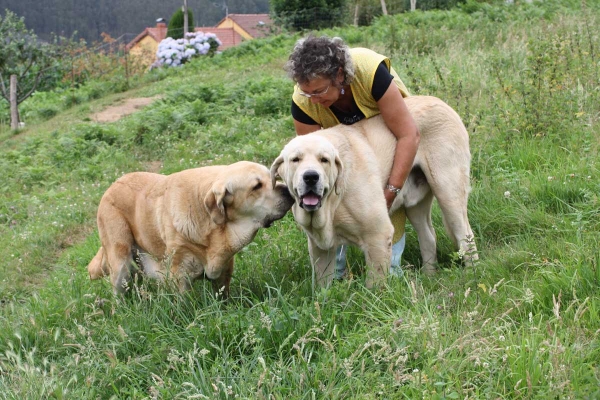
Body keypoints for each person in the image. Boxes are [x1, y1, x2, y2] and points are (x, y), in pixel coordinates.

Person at [284, 35, 420, 279]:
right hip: (344, 144)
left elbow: (408, 135)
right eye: (306, 93)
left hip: (385, 139)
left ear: (339, 75)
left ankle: (392, 269)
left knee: (387, 203)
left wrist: (390, 191)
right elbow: (317, 167)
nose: (313, 100)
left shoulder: (371, 73)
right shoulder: (303, 102)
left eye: (320, 91)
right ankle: (335, 274)